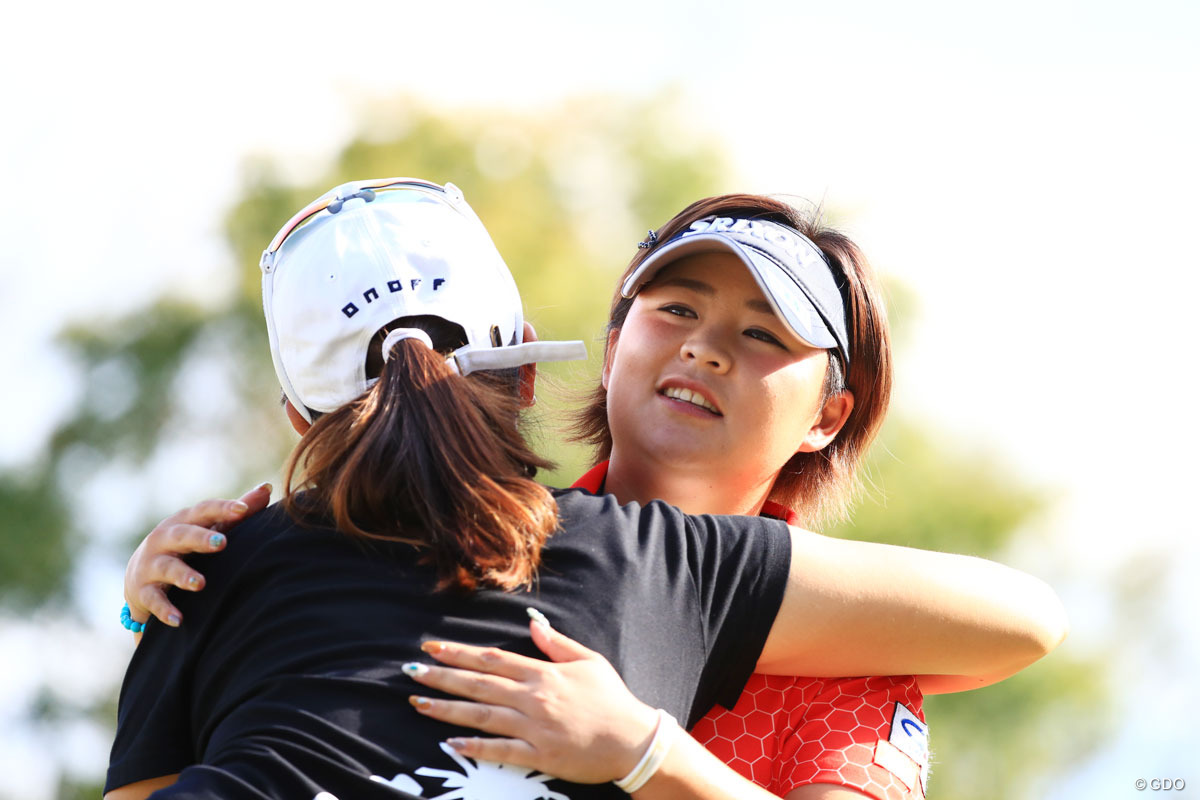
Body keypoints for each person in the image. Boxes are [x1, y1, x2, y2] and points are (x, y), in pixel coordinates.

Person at [111, 181, 1067, 800]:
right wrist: (154, 602)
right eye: (677, 310)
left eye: (765, 335)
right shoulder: (497, 540)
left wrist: (644, 750)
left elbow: (1031, 618)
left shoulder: (860, 659)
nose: (703, 345)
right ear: (604, 353)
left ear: (829, 414)